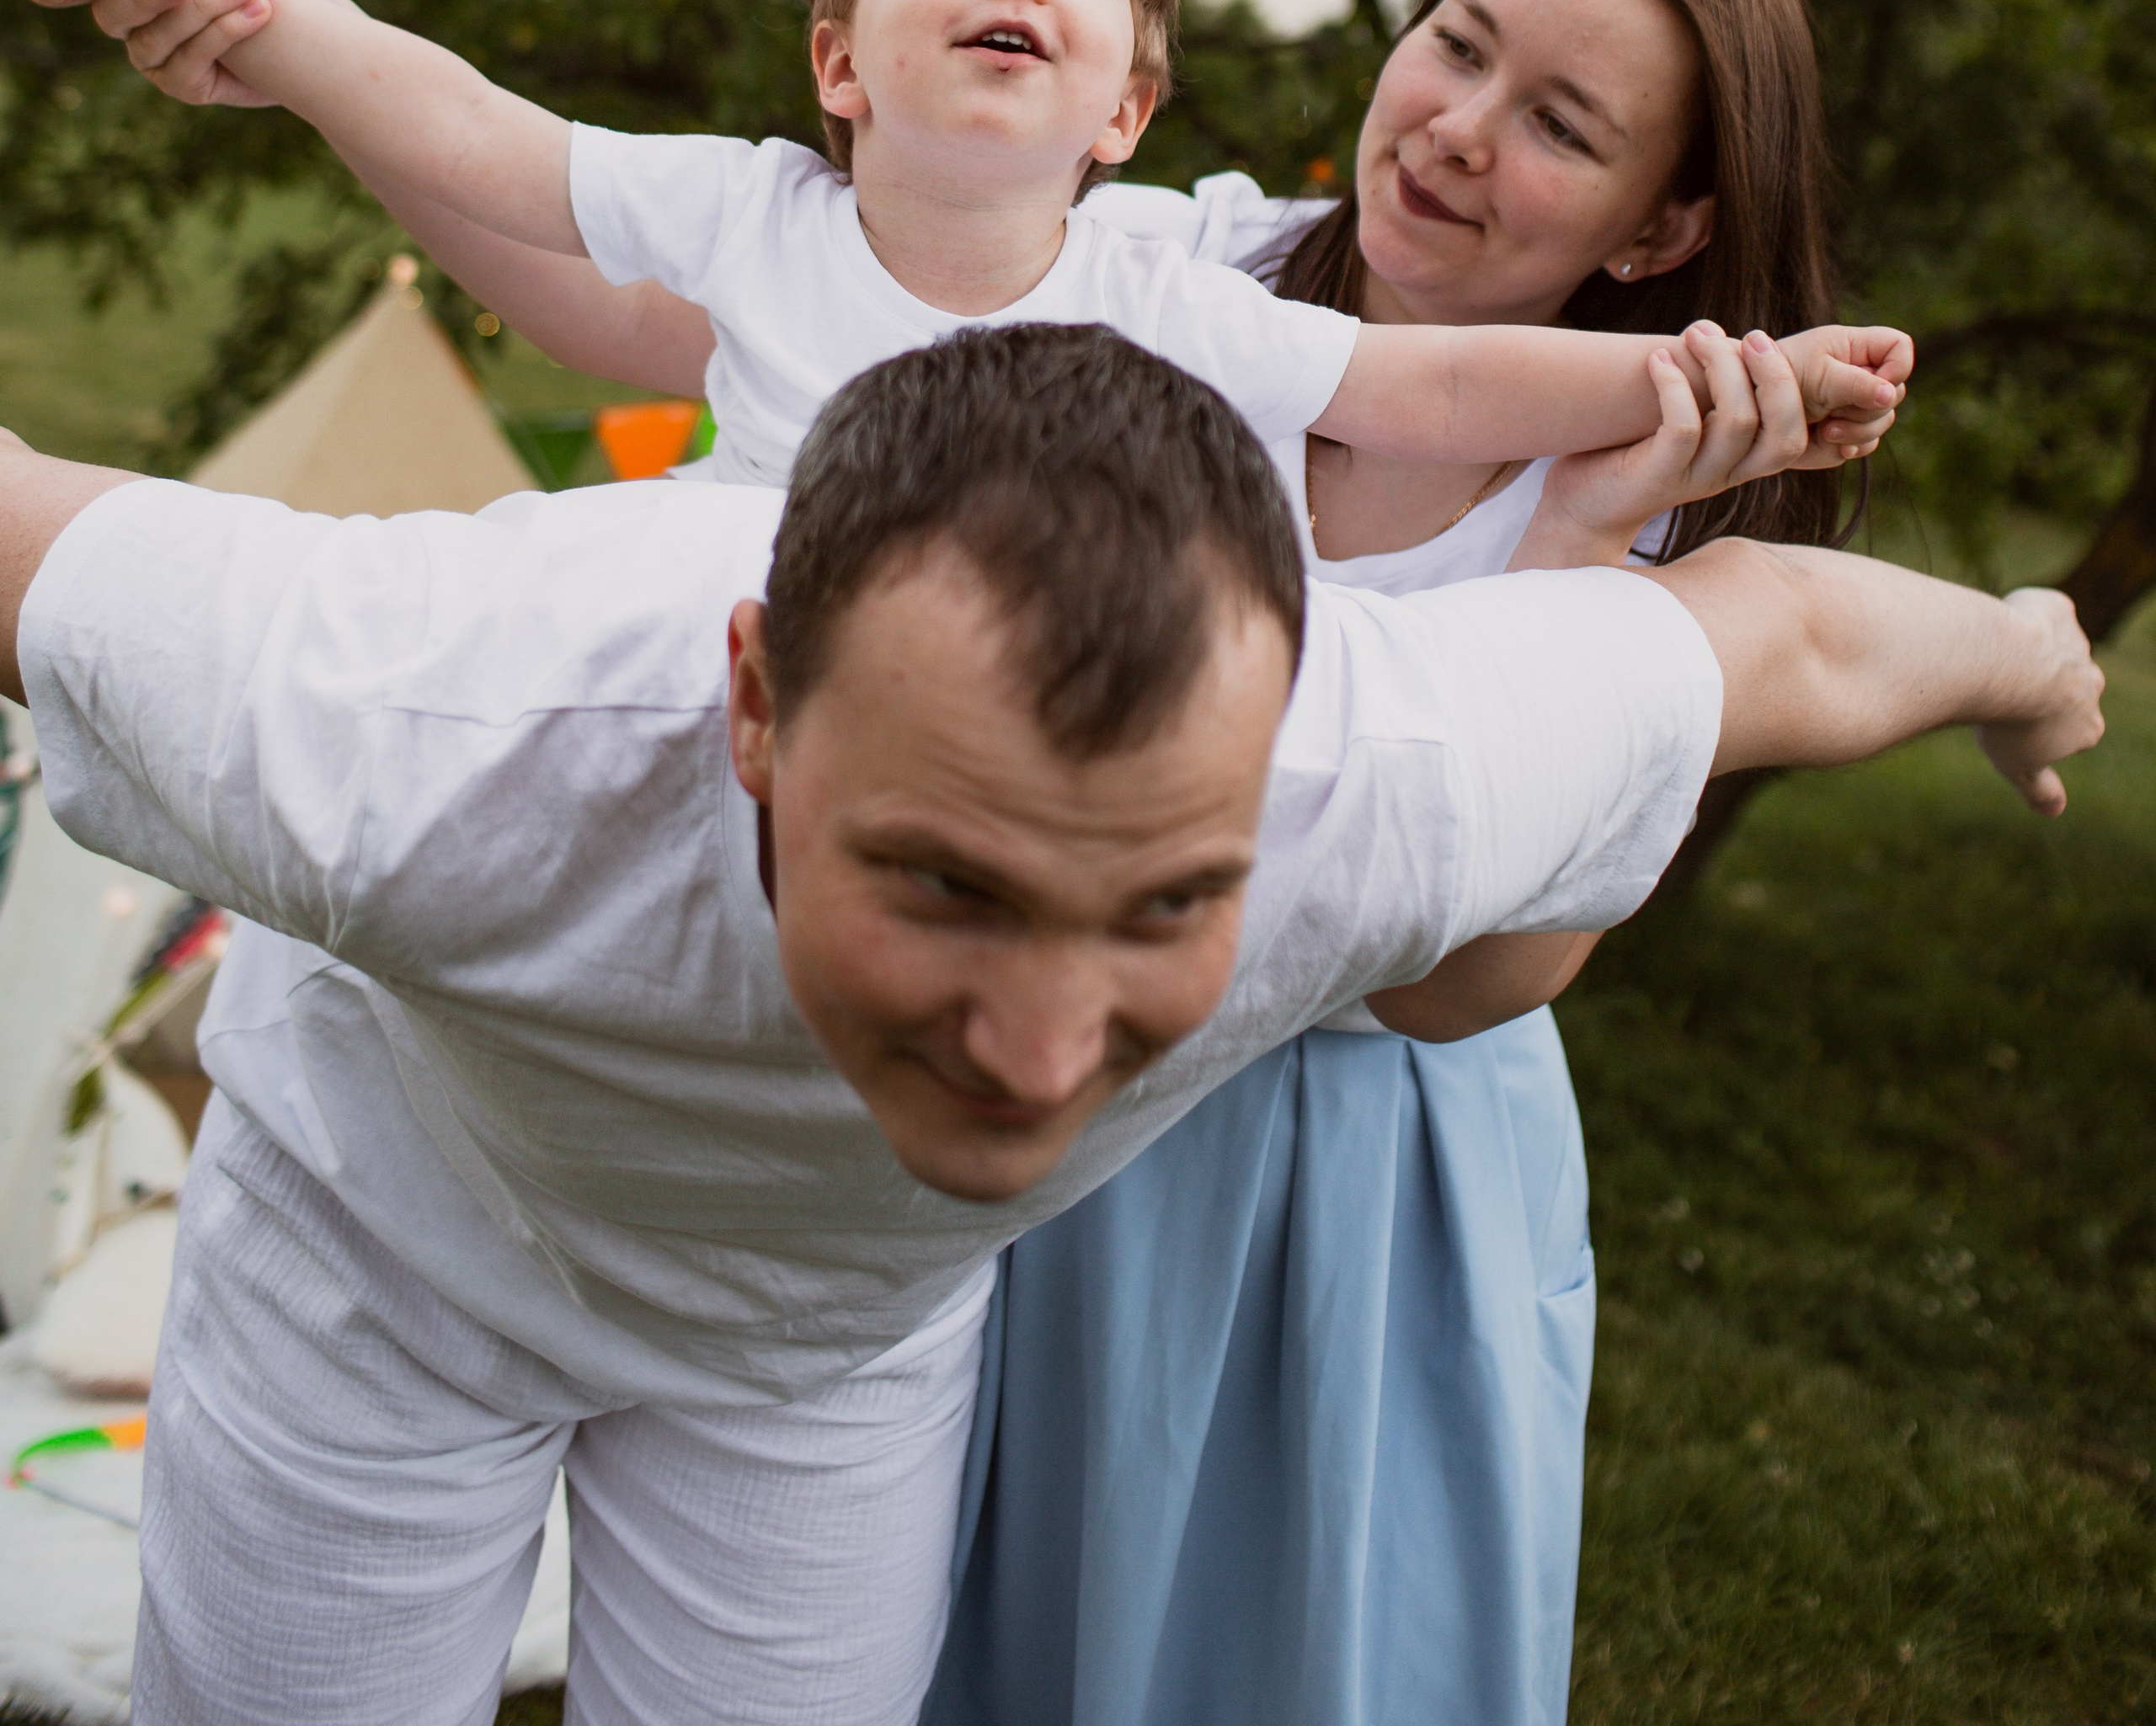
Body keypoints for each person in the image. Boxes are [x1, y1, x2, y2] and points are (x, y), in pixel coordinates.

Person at [0, 324, 2104, 1726]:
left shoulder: (1376, 782)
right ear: (753, 707)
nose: (1031, 1056)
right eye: (948, 888)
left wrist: (2020, 646)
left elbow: (1786, 631)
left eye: (1160, 907)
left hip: (818, 1355)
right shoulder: (413, 721)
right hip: (388, 1262)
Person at [927, 0, 1855, 1726]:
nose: (1451, 130)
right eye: (1456, 44)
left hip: (1357, 1182)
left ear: (1662, 224)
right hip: (1053, 1097)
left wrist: (1581, 550)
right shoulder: (1181, 274)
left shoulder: (1649, 495)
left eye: (1557, 127)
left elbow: (1465, 982)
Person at [27, 0, 1904, 509]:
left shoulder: (1156, 306)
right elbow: (488, 134)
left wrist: (1702, 377)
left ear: (1125, 111)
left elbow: (1436, 393)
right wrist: (284, 21)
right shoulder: (757, 209)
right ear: (836, 64)